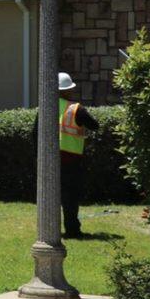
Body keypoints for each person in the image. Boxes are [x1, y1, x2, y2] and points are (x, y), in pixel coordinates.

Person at [58, 72, 98, 239]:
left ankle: (49, 229)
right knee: (70, 197)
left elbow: (34, 134)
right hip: (71, 160)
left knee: (51, 196)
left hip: (51, 160)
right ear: (67, 90)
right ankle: (72, 230)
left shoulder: (45, 109)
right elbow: (94, 125)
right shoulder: (76, 109)